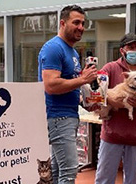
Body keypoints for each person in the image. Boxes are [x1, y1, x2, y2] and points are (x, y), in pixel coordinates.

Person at [37, 5, 98, 184]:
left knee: (56, 171)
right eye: (76, 22)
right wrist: (83, 79)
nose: (81, 27)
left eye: (83, 23)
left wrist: (85, 102)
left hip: (68, 116)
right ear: (63, 23)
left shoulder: (71, 51)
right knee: (69, 170)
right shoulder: (53, 48)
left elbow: (69, 85)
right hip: (58, 117)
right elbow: (50, 85)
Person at [95, 33, 136, 184]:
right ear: (122, 51)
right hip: (112, 135)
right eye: (131, 47)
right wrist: (113, 100)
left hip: (135, 136)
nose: (135, 50)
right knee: (104, 179)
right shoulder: (110, 68)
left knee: (131, 180)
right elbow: (97, 92)